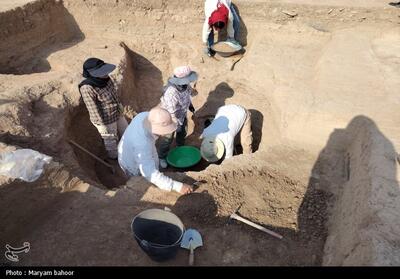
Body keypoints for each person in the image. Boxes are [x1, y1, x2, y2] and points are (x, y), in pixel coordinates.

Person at [118, 106, 194, 195]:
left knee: (154, 164)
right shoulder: (142, 143)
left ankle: (159, 177)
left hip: (132, 147)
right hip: (130, 163)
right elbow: (149, 173)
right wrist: (177, 186)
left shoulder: (146, 116)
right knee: (141, 183)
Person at [79, 57, 128, 160]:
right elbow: (93, 109)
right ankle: (115, 157)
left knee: (126, 130)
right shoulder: (87, 88)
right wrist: (102, 125)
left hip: (117, 112)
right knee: (111, 139)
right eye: (102, 72)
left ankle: (128, 148)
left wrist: (119, 105)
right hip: (106, 119)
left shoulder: (106, 79)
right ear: (92, 74)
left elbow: (113, 93)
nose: (106, 74)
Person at [158, 66, 198, 168]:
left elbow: (187, 97)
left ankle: (180, 147)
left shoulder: (185, 86)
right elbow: (171, 112)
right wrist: (176, 124)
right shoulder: (171, 92)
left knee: (182, 132)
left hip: (181, 114)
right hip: (169, 118)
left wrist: (191, 106)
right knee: (167, 139)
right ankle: (161, 157)